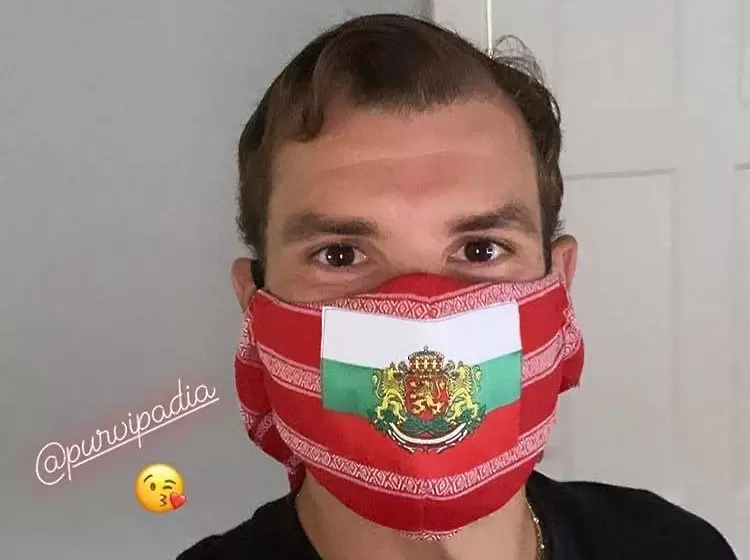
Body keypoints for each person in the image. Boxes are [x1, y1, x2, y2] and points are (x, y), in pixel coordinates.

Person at [179, 13, 737, 560]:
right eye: (341, 255)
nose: (424, 317)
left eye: (481, 250)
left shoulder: (678, 548)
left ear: (561, 285)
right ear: (253, 306)